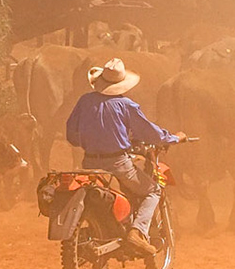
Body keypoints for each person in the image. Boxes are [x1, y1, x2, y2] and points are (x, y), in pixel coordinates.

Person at [64, 60, 180, 257]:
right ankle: (137, 232)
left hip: (89, 164)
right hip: (117, 164)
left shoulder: (84, 101)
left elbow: (71, 136)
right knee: (153, 191)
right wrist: (174, 137)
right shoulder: (126, 105)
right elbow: (149, 132)